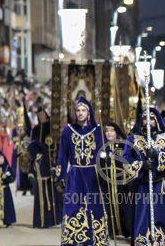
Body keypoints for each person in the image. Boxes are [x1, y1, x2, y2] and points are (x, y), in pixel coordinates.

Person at [123, 106, 165, 244]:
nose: (147, 121)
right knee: (143, 217)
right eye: (144, 118)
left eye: (151, 119)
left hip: (161, 186)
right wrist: (141, 165)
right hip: (142, 186)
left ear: (157, 121)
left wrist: (158, 156)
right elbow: (125, 161)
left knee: (164, 215)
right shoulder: (132, 139)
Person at [55, 97, 108, 245]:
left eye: (83, 110)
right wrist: (61, 175)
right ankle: (74, 238)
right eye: (78, 110)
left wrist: (106, 164)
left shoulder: (98, 130)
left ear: (89, 112)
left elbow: (104, 152)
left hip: (93, 175)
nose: (80, 113)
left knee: (94, 205)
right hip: (75, 175)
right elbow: (62, 156)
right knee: (74, 205)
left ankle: (96, 239)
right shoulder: (67, 131)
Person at [26, 118, 61, 229]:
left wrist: (53, 172)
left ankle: (49, 221)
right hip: (39, 185)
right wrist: (31, 177)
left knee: (50, 203)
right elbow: (31, 171)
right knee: (39, 204)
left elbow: (54, 167)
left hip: (47, 184)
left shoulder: (46, 159)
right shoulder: (34, 162)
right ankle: (39, 222)